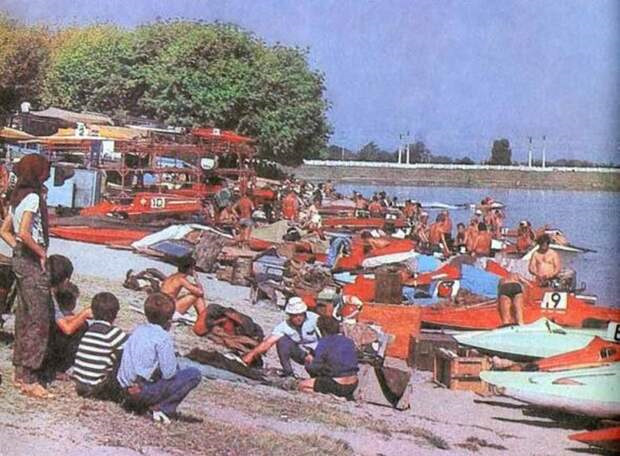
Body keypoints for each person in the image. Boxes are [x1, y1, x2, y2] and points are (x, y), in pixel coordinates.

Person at [0, 154, 53, 398]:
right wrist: (41, 253)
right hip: (31, 260)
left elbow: (5, 230)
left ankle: (19, 370)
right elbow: (24, 232)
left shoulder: (17, 197)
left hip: (21, 258)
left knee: (24, 315)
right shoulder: (32, 197)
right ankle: (29, 377)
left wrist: (18, 249)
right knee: (38, 319)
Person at [117, 293, 202, 424]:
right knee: (193, 374)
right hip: (142, 392)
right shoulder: (163, 337)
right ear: (169, 319)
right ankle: (162, 408)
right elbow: (169, 373)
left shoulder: (138, 330)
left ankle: (143, 403)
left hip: (124, 390)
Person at [242, 297, 320, 377]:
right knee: (283, 341)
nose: (298, 318)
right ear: (289, 315)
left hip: (320, 353)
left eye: (300, 314)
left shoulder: (315, 319)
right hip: (302, 354)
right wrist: (250, 355)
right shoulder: (284, 326)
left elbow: (325, 339)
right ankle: (288, 373)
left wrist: (313, 354)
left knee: (313, 366)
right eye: (295, 315)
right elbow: (268, 342)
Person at [73, 292, 128, 400]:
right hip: (97, 387)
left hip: (80, 384)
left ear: (93, 312)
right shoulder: (112, 333)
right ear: (115, 314)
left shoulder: (89, 331)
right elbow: (130, 350)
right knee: (123, 353)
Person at [299, 316, 359, 400]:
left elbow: (315, 367)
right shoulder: (349, 341)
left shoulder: (324, 342)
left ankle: (331, 397)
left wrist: (308, 362)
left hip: (337, 383)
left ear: (322, 330)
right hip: (353, 383)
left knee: (302, 386)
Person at [160, 256, 207, 325]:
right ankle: (204, 319)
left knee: (190, 295)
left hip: (161, 305)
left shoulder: (172, 276)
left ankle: (203, 318)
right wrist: (196, 278)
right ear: (190, 269)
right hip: (169, 309)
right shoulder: (181, 279)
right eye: (193, 268)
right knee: (195, 296)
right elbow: (200, 292)